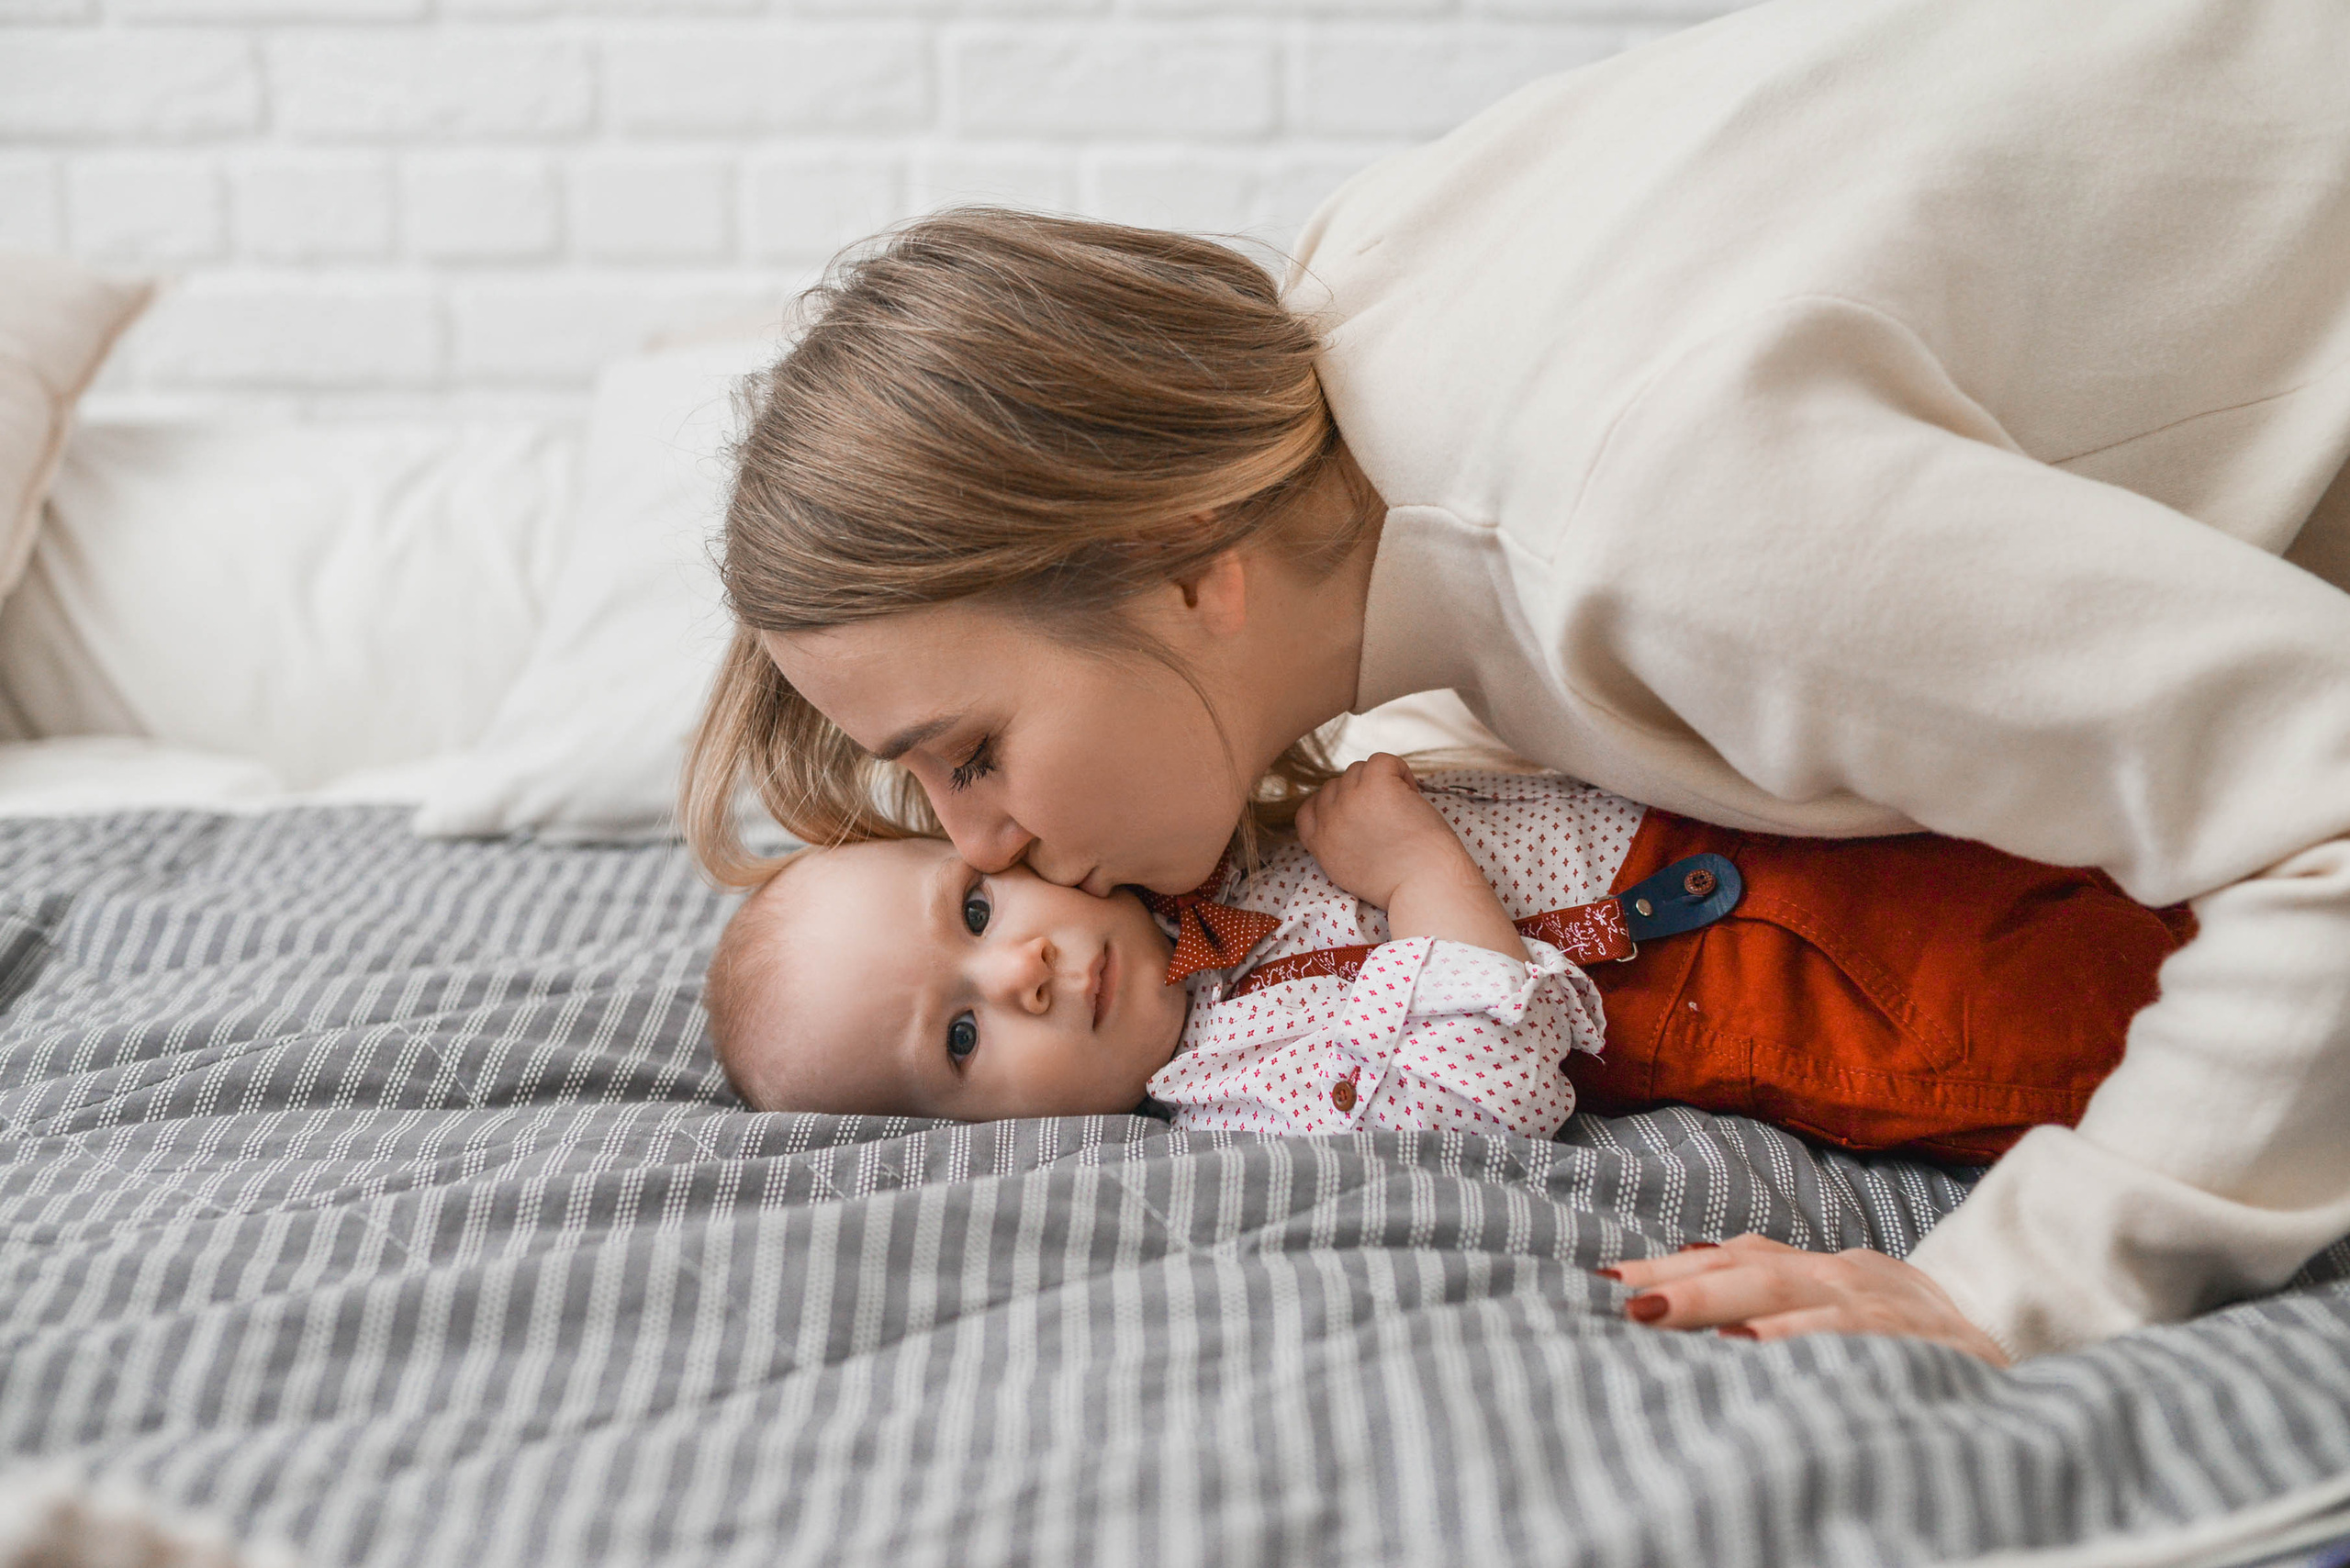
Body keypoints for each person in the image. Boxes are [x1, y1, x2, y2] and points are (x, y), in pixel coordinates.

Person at [683, 0, 2350, 1364]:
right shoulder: (1355, 313)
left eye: (967, 752)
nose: (977, 846)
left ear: (1190, 560)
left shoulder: (1665, 522)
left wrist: (2019, 1284)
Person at [706, 758, 2185, 1271]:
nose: (1019, 969)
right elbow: (1478, 1102)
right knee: (2115, 1023)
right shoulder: (1235, 1097)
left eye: (972, 916)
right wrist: (1417, 872)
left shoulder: (1167, 842)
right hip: (1766, 980)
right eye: (963, 1039)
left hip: (1755, 817)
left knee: (2175, 847)